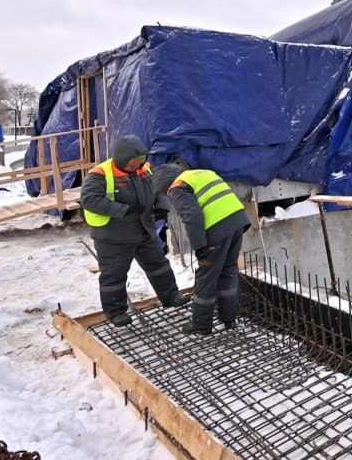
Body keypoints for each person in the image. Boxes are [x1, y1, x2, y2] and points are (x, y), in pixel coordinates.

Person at [80, 135, 190, 326]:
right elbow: (89, 200)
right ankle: (116, 313)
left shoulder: (145, 168)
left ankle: (171, 296)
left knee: (159, 266)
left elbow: (158, 188)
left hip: (143, 230)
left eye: (141, 160)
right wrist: (123, 210)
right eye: (133, 162)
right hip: (113, 236)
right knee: (114, 276)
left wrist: (162, 206)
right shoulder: (99, 174)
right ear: (122, 158)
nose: (137, 165)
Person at [155, 163, 251, 336]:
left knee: (206, 276)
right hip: (237, 222)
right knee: (228, 271)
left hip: (218, 228)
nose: (166, 196)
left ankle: (201, 325)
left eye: (163, 193)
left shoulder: (176, 187)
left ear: (165, 184)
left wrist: (199, 246)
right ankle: (229, 319)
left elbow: (192, 216)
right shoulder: (202, 173)